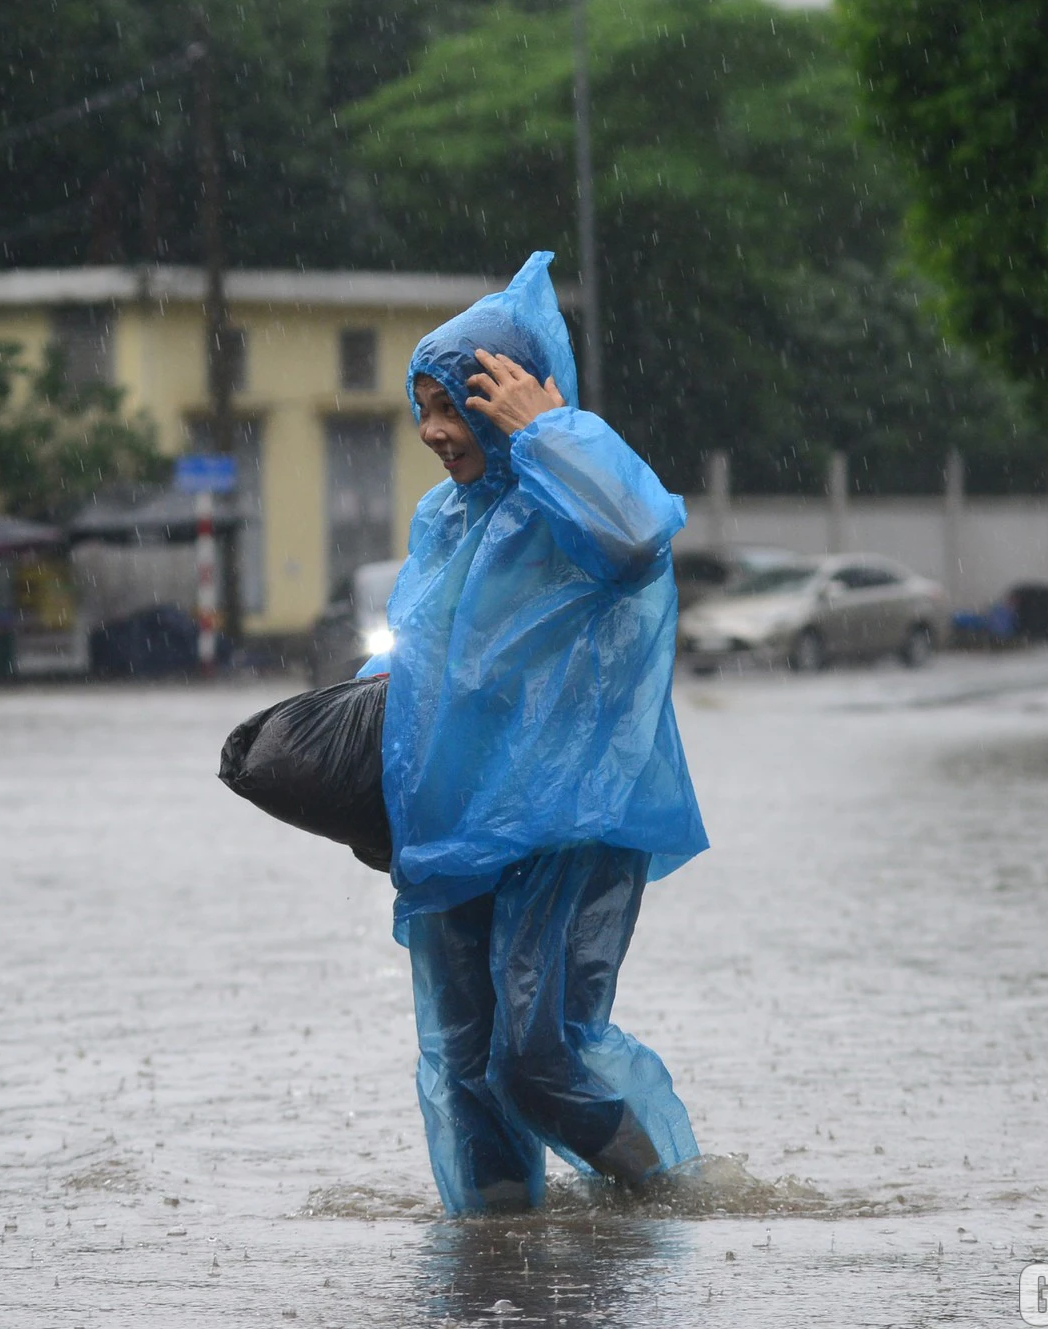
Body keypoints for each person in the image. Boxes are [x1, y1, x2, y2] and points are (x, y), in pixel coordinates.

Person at [357, 252, 708, 1215]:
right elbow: (427, 657)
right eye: (422, 407)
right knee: (467, 1064)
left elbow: (639, 535)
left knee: (536, 1054)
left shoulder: (575, 500)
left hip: (568, 821)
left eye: (454, 405)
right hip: (457, 826)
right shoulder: (444, 519)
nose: (432, 430)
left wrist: (548, 431)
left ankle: (664, 1197)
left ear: (509, 400)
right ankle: (497, 1256)